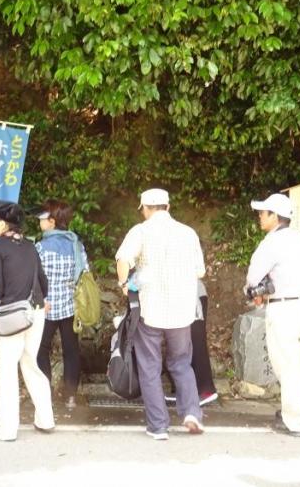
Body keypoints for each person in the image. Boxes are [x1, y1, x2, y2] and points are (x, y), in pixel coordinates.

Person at [115, 188, 206, 440]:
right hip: (182, 311)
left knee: (149, 366)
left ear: (145, 208)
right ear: (168, 206)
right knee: (181, 363)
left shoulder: (141, 231)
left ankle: (158, 426)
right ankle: (191, 414)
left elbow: (123, 259)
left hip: (151, 310)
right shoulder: (188, 233)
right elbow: (200, 271)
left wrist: (125, 285)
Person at [244, 193, 300, 438]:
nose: (260, 217)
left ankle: (294, 421)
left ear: (274, 216)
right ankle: (293, 411)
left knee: (285, 364)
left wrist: (251, 291)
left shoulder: (271, 242)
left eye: (263, 213)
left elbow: (254, 277)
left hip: (283, 307)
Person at [0, 200, 54, 441]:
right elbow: (43, 280)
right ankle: (45, 419)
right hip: (35, 311)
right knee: (31, 364)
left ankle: (5, 429)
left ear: (2, 224)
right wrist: (40, 299)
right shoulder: (30, 246)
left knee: (6, 370)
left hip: (12, 315)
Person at [34, 199, 87, 410]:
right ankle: (70, 397)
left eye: (43, 218)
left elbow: (34, 278)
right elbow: (85, 272)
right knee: (71, 350)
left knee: (40, 349)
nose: (39, 221)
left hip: (46, 306)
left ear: (52, 222)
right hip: (70, 305)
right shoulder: (76, 244)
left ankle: (44, 394)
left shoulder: (40, 247)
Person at [165, 279, 218, 407]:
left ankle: (206, 391)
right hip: (179, 296)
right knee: (178, 344)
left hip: (192, 296)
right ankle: (184, 391)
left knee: (195, 343)